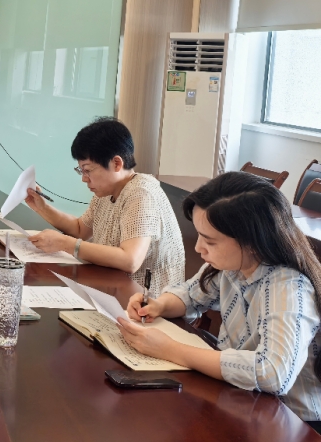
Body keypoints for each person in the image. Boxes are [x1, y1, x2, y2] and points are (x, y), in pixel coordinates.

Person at [118, 172, 321, 426]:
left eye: (209, 241)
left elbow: (273, 372)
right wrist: (159, 305)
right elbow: (191, 295)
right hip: (244, 400)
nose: (198, 248)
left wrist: (170, 349)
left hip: (292, 421)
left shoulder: (289, 287)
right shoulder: (232, 265)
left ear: (251, 242)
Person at [25, 117, 184, 297]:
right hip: (113, 290)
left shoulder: (141, 193)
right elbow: (79, 229)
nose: (84, 178)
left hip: (148, 302)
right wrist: (42, 207)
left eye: (88, 170)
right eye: (81, 170)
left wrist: (64, 244)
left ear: (116, 163)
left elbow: (130, 260)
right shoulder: (107, 191)